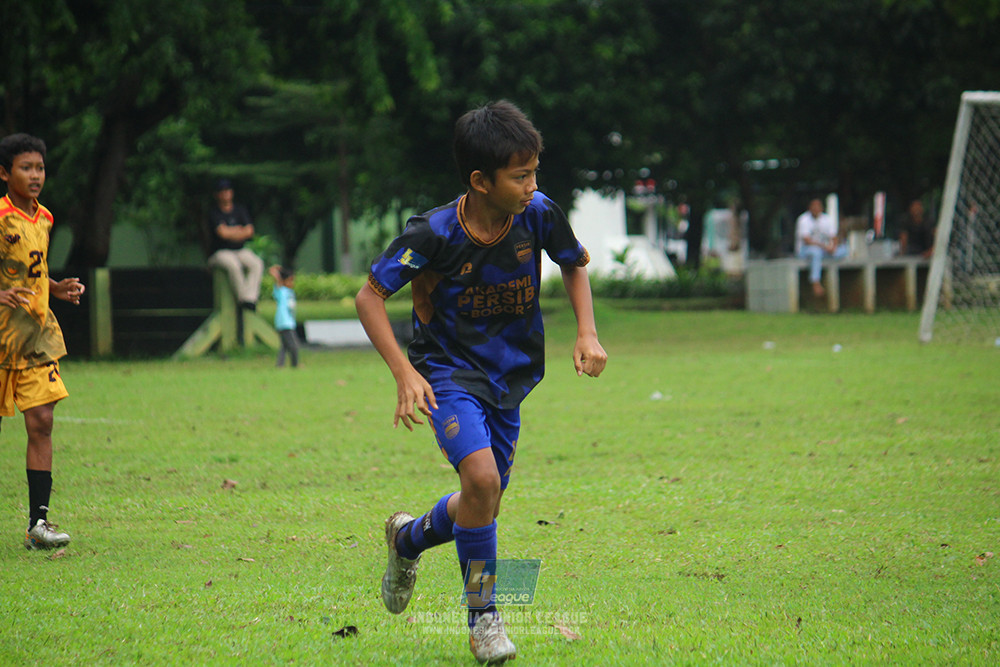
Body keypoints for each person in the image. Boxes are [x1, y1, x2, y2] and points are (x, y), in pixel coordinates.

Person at [355, 100, 607, 665]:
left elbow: (573, 261)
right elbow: (369, 296)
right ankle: (483, 619)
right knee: (481, 478)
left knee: (482, 498)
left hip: (510, 376)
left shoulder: (539, 213)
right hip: (447, 371)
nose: (532, 184)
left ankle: (407, 539)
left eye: (534, 171)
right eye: (520, 175)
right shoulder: (435, 232)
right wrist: (405, 372)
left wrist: (586, 332)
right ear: (480, 180)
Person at [0, 133, 85, 550]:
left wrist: (56, 287)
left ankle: (39, 524)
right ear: (4, 173)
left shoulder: (45, 218)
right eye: (26, 168)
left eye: (40, 168)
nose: (35, 176)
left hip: (36, 335)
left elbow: (29, 272)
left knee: (43, 421)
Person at [207, 178, 264, 312]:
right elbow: (223, 233)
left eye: (227, 190)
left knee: (256, 263)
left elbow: (249, 231)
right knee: (233, 265)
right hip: (220, 252)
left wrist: (232, 232)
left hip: (240, 249)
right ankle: (243, 299)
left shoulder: (239, 210)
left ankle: (250, 299)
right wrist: (239, 230)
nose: (225, 193)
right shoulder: (214, 212)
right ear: (217, 194)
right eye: (222, 191)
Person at [795, 198, 847, 297]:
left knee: (844, 250)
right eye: (813, 207)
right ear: (809, 208)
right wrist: (824, 247)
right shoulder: (803, 219)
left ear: (822, 208)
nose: (815, 209)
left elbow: (834, 237)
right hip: (805, 250)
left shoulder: (826, 219)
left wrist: (833, 247)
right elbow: (807, 240)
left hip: (824, 250)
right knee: (816, 252)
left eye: (818, 207)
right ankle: (815, 282)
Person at [268, 265, 299, 368]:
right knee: (294, 346)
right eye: (289, 280)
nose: (292, 283)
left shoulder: (290, 292)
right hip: (284, 323)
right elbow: (275, 277)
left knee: (284, 346)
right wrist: (277, 271)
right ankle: (295, 364)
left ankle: (280, 365)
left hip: (289, 322)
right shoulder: (281, 291)